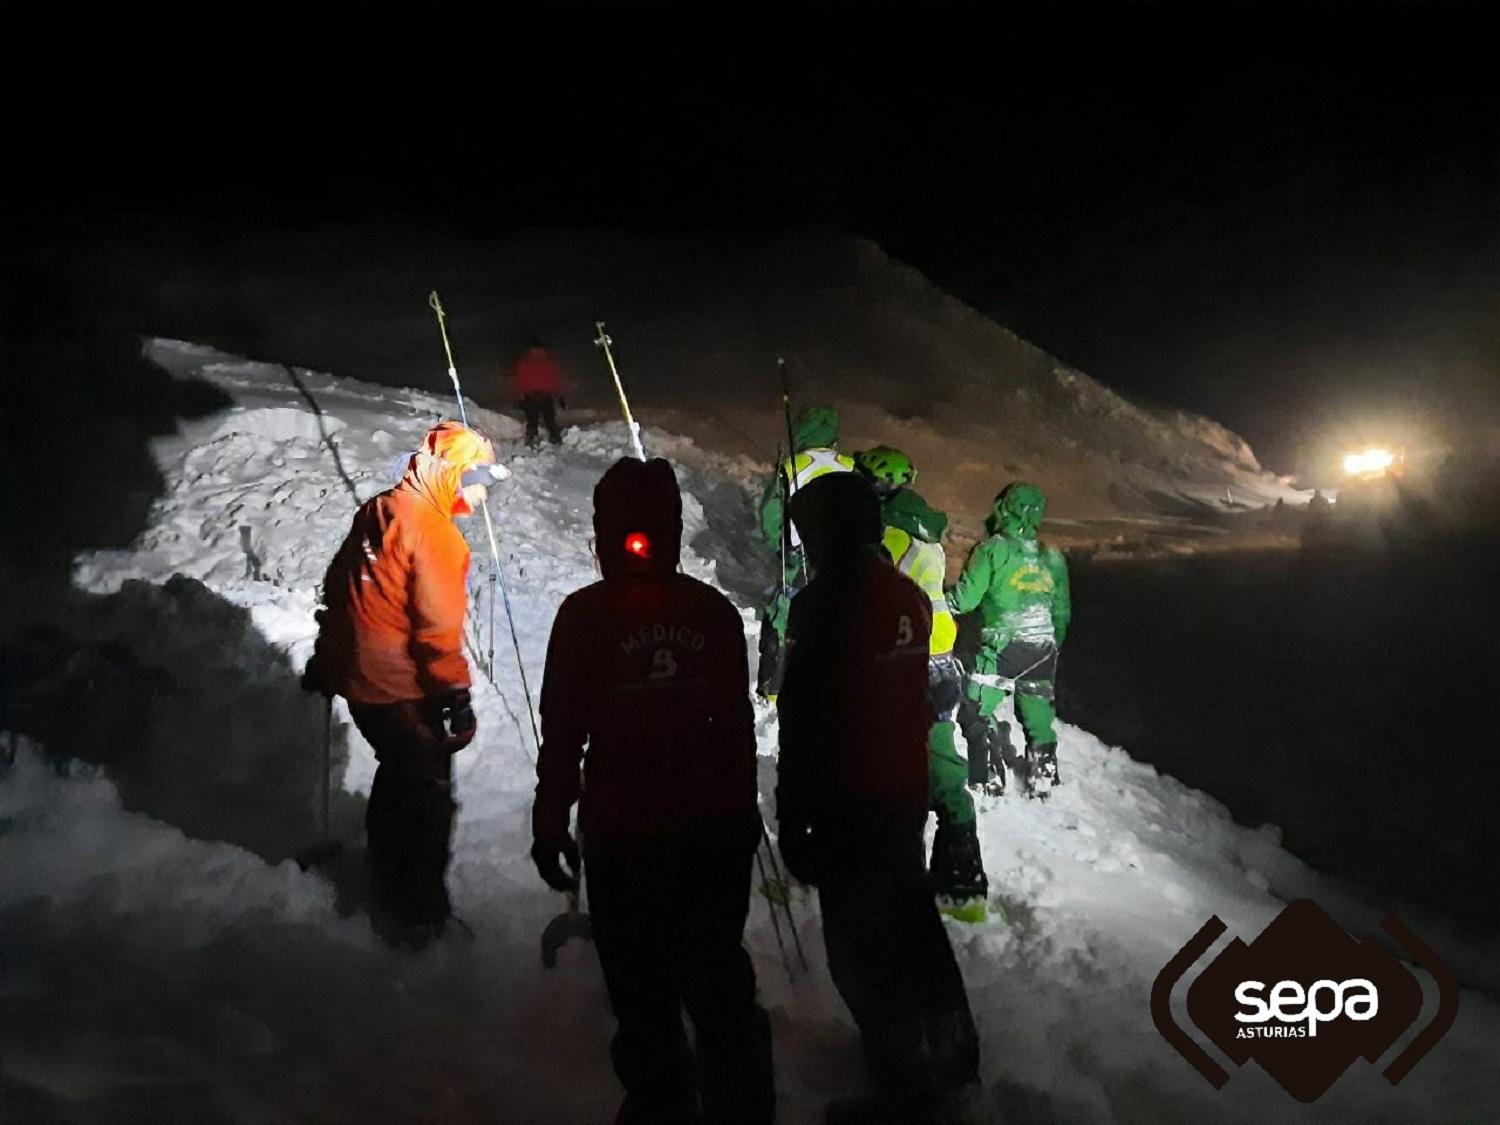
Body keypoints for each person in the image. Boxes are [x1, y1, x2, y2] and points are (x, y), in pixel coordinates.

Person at [532, 457, 774, 1125]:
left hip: (627, 837)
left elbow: (562, 735)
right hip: (710, 835)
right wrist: (743, 816)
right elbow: (735, 727)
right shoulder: (713, 613)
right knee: (718, 980)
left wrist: (551, 819)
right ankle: (742, 1109)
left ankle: (665, 1108)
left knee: (643, 995)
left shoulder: (583, 616)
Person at [775, 471, 980, 1123]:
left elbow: (803, 722)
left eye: (809, 532)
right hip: (900, 794)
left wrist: (793, 816)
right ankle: (953, 1055)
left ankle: (904, 1090)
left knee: (864, 950)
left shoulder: (821, 604)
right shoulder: (907, 596)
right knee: (913, 927)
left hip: (847, 801)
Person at [303, 420, 502, 947]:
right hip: (396, 687)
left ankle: (383, 875)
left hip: (359, 680)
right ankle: (416, 913)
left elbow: (340, 584)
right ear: (454, 476)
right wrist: (454, 697)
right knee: (427, 797)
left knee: (399, 775)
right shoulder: (437, 537)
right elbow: (436, 632)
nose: (482, 496)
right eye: (477, 481)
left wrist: (329, 657)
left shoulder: (381, 509)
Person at [855, 447, 988, 923]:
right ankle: (963, 878)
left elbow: (865, 591)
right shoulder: (926, 531)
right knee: (939, 753)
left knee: (876, 753)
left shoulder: (887, 532)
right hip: (941, 654)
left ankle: (877, 869)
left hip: (903, 655)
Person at [946, 481, 1071, 798]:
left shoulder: (992, 549)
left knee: (977, 710)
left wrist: (936, 602)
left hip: (1002, 646)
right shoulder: (1053, 557)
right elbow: (1061, 612)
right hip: (1042, 648)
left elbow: (966, 600)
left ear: (1004, 508)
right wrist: (1050, 643)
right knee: (1038, 718)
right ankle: (1043, 780)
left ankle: (987, 779)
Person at [752, 403, 855, 699]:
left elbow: (771, 516)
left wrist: (777, 546)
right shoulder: (851, 466)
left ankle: (773, 687)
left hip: (799, 558)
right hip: (841, 560)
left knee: (784, 618)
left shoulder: (792, 466)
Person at [510, 338, 568, 448]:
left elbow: (521, 380)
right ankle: (555, 439)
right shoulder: (549, 362)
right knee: (550, 419)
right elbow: (555, 380)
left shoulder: (525, 363)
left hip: (531, 396)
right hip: (546, 396)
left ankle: (531, 441)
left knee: (532, 420)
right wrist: (560, 395)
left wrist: (520, 396)